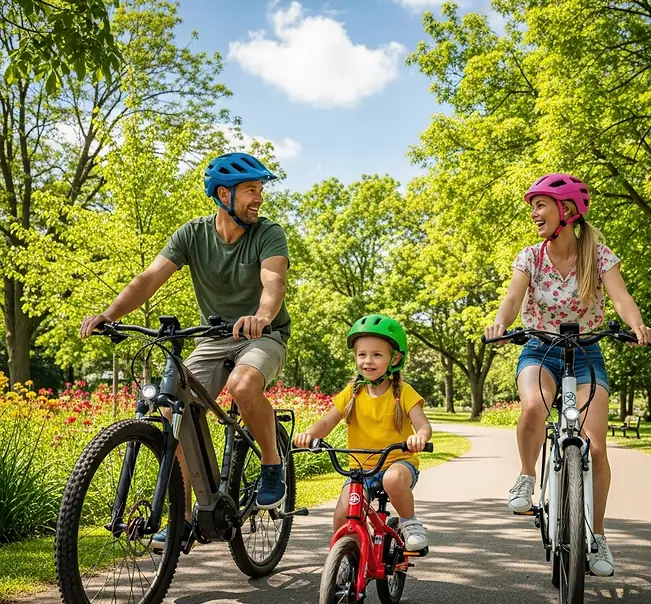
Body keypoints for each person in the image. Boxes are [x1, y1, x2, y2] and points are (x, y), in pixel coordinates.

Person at [80, 152, 291, 549]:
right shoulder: (192, 234)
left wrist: (262, 316)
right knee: (169, 404)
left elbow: (273, 281)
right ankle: (188, 515)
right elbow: (148, 279)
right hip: (213, 337)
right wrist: (110, 314)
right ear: (223, 194)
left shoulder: (268, 233)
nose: (258, 198)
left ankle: (270, 462)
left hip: (263, 334)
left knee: (243, 386)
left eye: (260, 190)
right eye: (250, 190)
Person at [484, 173, 651, 576]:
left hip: (585, 352)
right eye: (533, 206)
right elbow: (512, 298)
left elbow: (621, 297)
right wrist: (499, 324)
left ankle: (595, 535)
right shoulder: (530, 256)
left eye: (541, 205)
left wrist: (637, 326)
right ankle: (527, 476)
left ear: (568, 211)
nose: (534, 213)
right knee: (532, 407)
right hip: (540, 347)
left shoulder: (598, 256)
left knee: (595, 448)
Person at [294, 315, 433, 551]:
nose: (368, 361)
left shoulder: (403, 393)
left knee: (392, 478)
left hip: (398, 463)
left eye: (377, 355)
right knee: (342, 515)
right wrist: (308, 435)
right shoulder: (352, 393)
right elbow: (327, 422)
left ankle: (409, 522)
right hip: (361, 469)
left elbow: (423, 426)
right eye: (362, 355)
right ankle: (350, 558)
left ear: (394, 358)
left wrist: (419, 437)